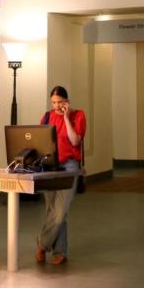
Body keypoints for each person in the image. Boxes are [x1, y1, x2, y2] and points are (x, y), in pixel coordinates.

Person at [36, 85, 87, 265]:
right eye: (54, 102)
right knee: (53, 210)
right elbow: (39, 140)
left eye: (60, 102)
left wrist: (66, 118)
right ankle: (60, 252)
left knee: (60, 211)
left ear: (67, 101)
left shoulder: (78, 116)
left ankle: (42, 244)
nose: (56, 106)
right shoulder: (47, 116)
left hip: (69, 166)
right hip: (50, 166)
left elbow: (74, 140)